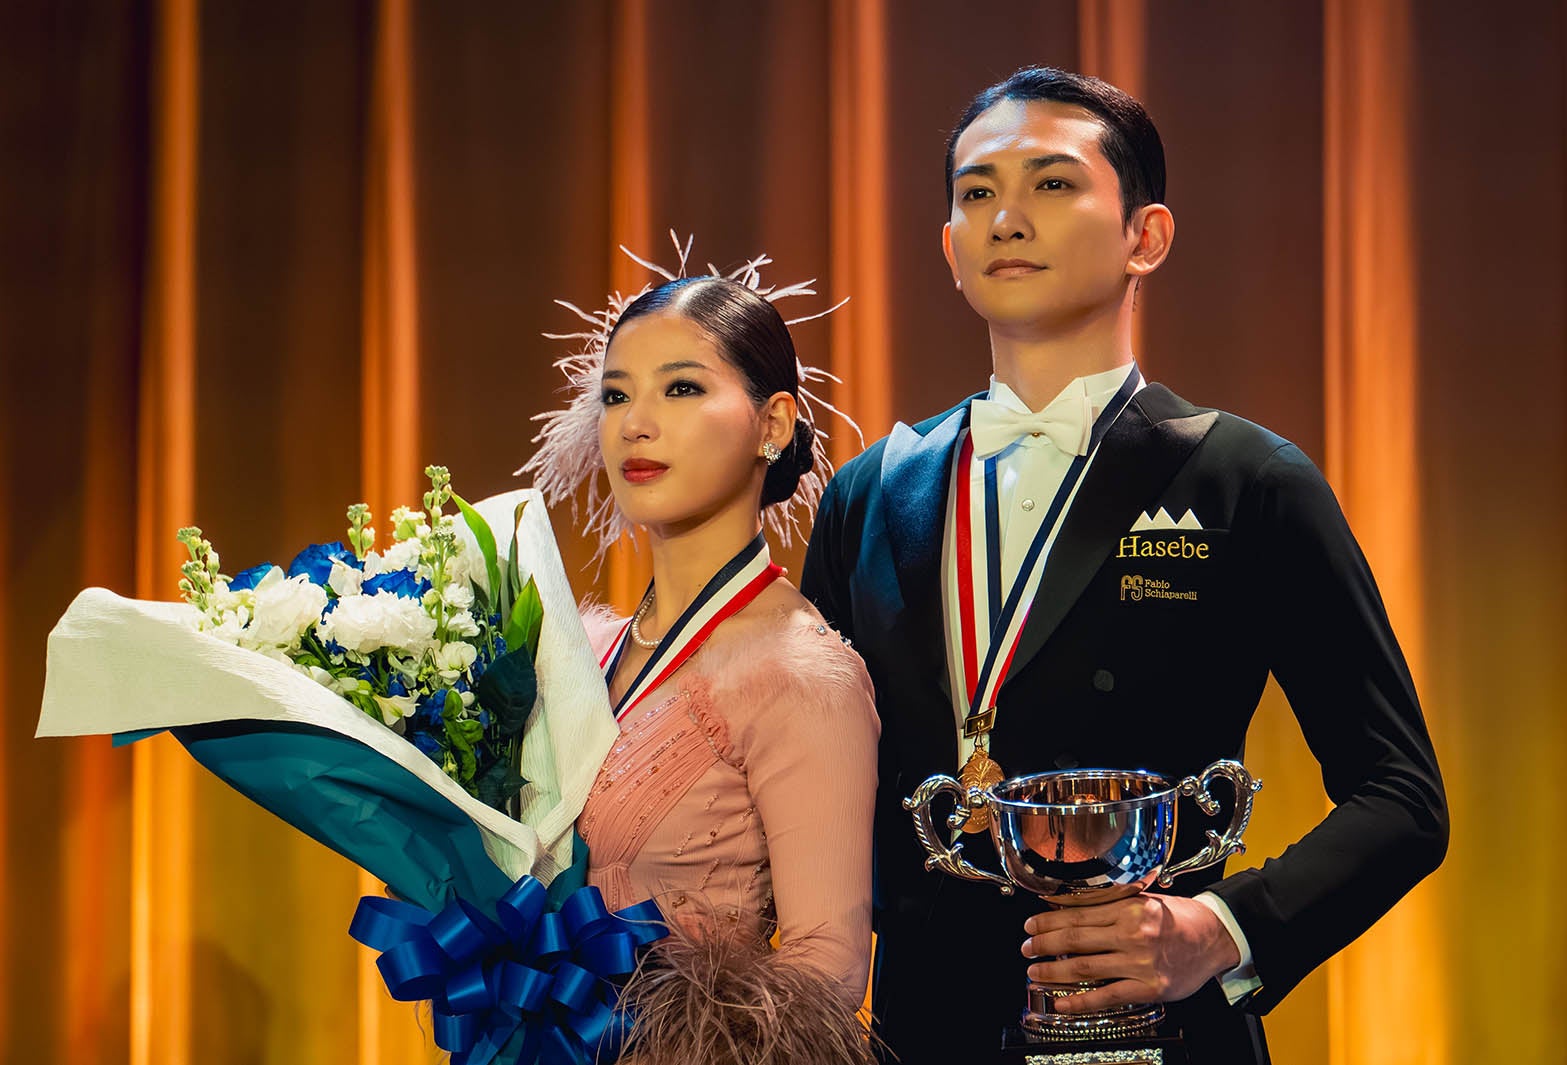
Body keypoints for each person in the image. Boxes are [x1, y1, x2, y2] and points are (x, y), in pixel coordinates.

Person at [800, 67, 1448, 1065]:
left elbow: (1400, 797)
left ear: (1145, 236)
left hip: (1163, 1033)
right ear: (949, 251)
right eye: (976, 194)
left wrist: (1217, 933)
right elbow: (810, 794)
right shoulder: (868, 492)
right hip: (915, 1038)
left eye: (1051, 185)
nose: (1005, 217)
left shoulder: (1243, 478)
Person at [525, 258, 879, 1065]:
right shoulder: (584, 648)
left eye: (680, 388)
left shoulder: (799, 673)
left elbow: (825, 975)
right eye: (616, 394)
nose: (635, 423)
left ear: (773, 423)